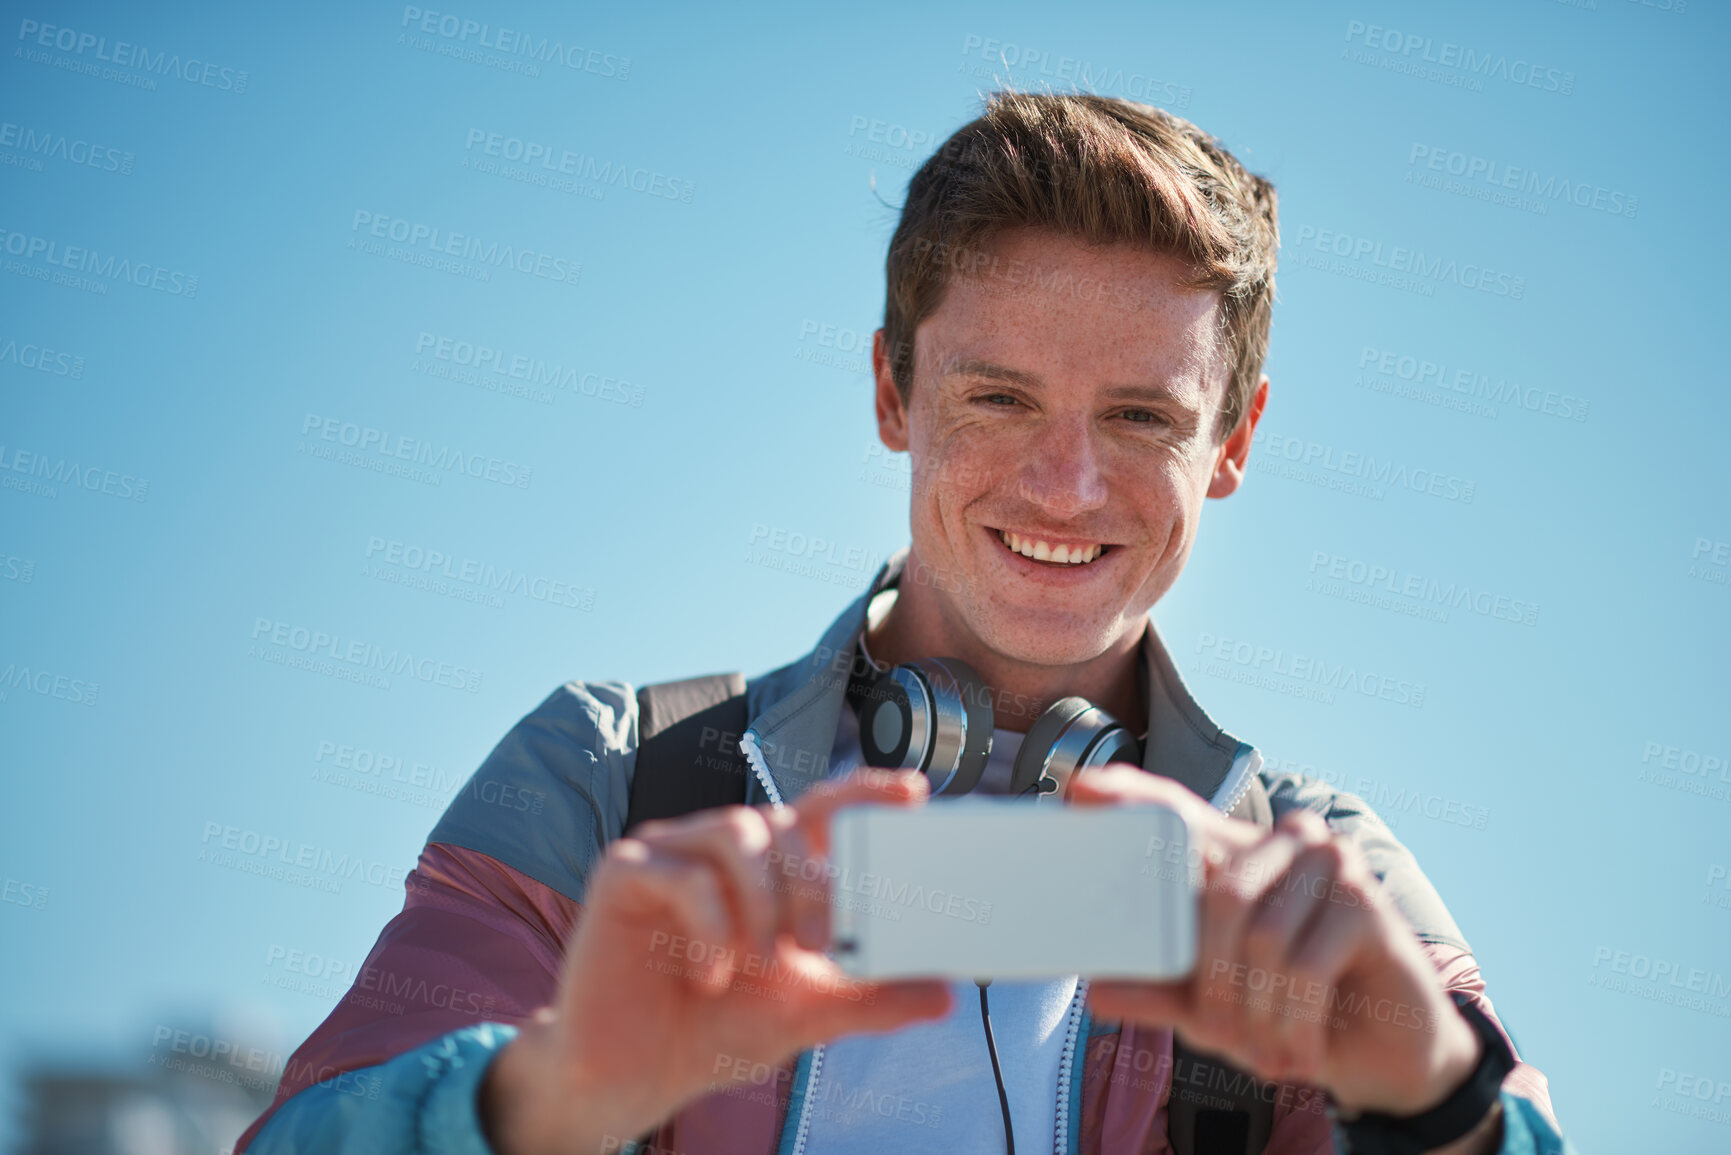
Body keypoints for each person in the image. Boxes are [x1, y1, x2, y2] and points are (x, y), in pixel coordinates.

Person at [236, 90, 1574, 1155]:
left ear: (1234, 442)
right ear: (892, 391)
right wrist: (548, 1097)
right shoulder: (613, 778)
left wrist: (1443, 1109)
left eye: (1142, 417)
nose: (1068, 485)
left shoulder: (1313, 875)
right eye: (998, 399)